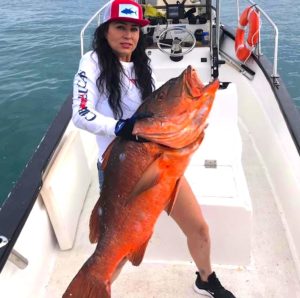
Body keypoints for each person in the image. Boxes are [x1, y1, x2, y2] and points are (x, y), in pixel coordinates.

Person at [72, 0, 235, 297]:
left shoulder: (141, 64)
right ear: (105, 31)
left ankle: (205, 278)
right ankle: (95, 284)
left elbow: (157, 117)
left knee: (199, 227)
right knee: (117, 250)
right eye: (120, 27)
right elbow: (80, 114)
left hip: (160, 162)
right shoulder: (92, 62)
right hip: (121, 170)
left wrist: (188, 125)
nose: (128, 35)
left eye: (134, 29)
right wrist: (120, 127)